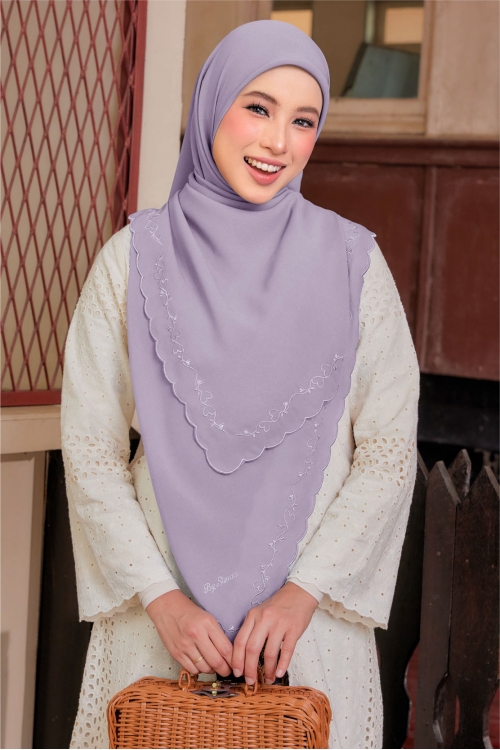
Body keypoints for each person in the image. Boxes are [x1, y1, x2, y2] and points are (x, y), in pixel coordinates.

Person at [62, 20, 419, 750]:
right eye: (258, 107)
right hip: (163, 627)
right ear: (211, 106)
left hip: (305, 634)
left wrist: (301, 594)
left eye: (304, 121)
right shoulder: (131, 262)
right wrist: (161, 599)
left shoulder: (354, 266)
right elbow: (91, 448)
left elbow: (387, 451)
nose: (278, 142)